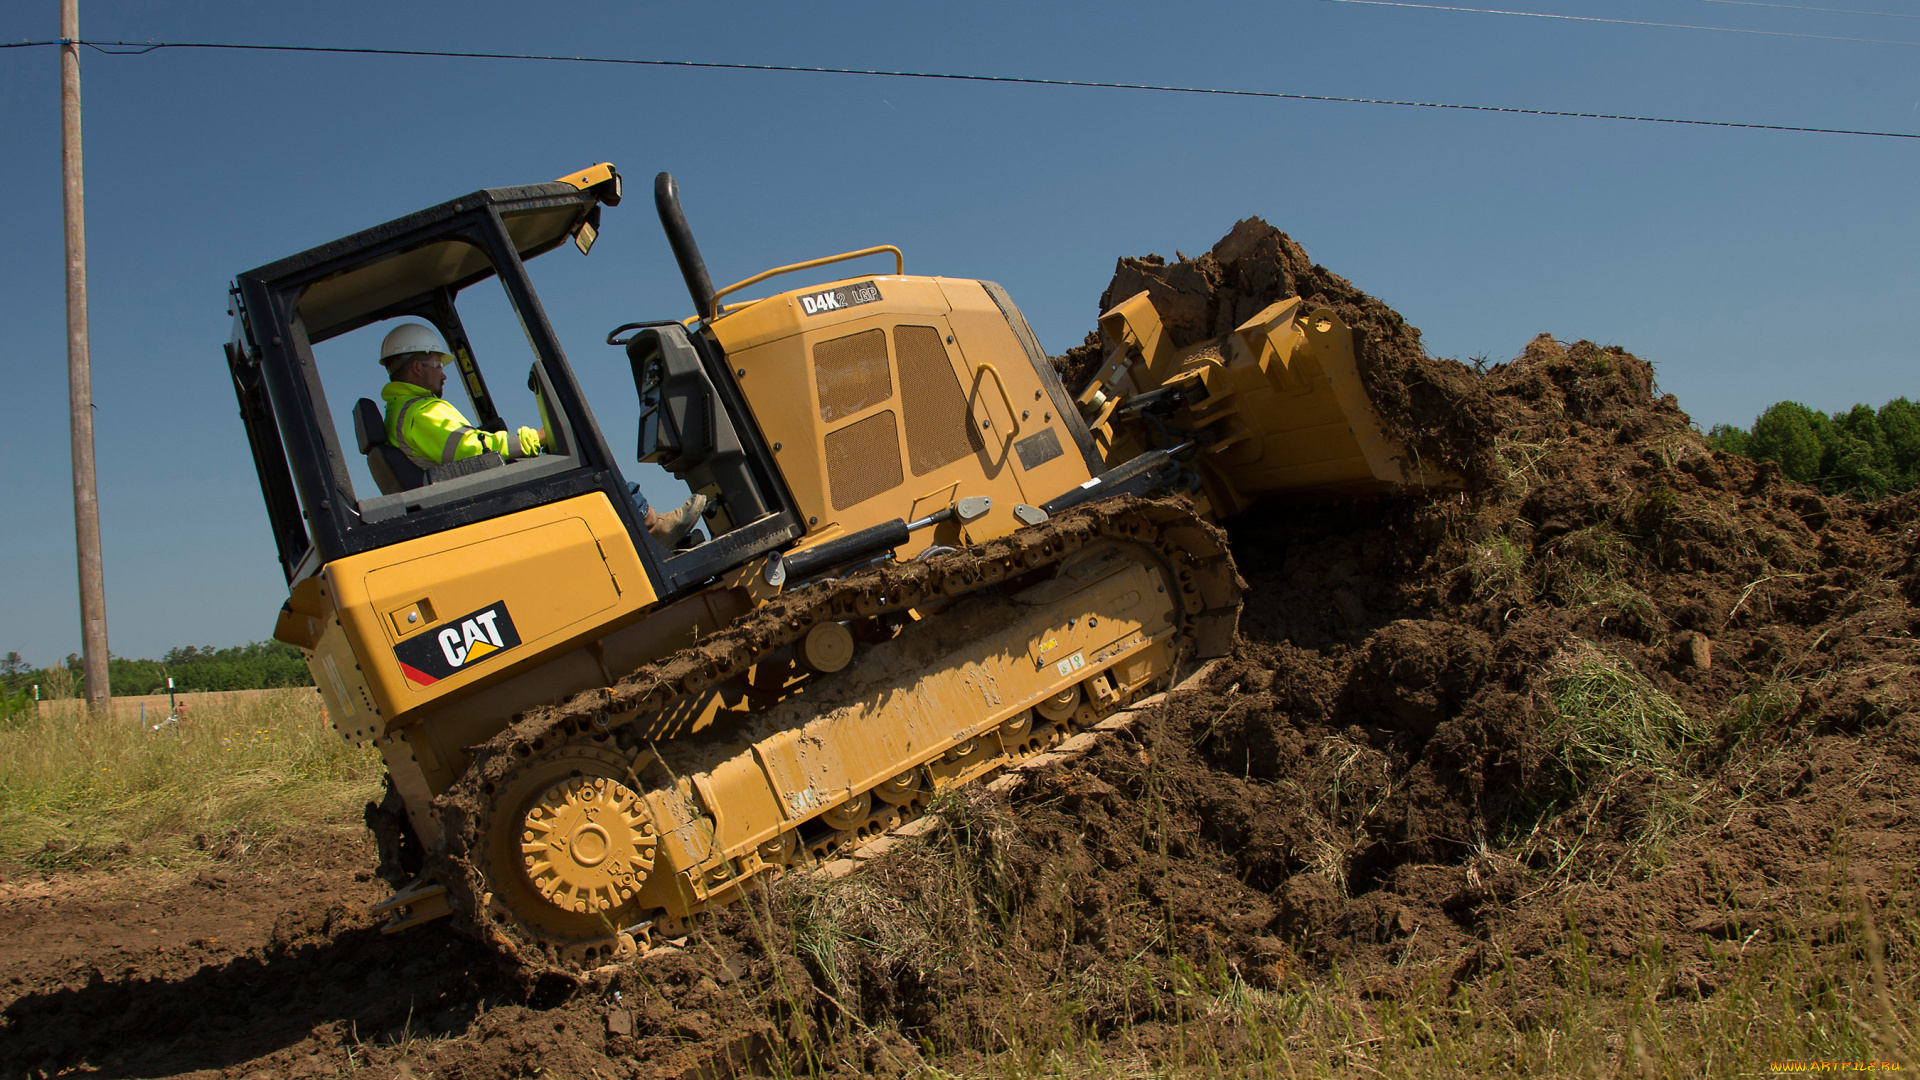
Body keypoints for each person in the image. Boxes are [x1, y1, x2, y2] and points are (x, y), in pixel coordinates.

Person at [378, 323, 707, 546]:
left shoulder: (406, 411)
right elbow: (469, 449)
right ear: (417, 367)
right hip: (475, 494)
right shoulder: (420, 413)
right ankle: (649, 525)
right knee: (585, 462)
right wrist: (533, 438)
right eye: (438, 365)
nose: (444, 374)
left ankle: (643, 533)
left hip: (464, 492)